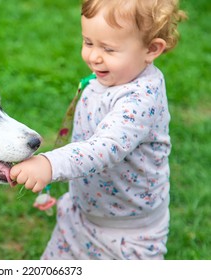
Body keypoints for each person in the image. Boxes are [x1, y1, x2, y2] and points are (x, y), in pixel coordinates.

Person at [10, 0, 186, 259]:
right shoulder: (113, 76)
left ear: (151, 49)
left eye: (109, 49)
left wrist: (50, 164)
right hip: (80, 215)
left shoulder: (140, 99)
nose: (93, 56)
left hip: (128, 236)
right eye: (88, 42)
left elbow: (104, 148)